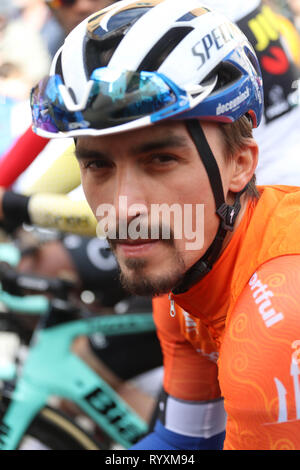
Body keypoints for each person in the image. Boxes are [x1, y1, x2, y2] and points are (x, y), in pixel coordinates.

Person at [30, 0, 300, 451]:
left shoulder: (278, 314)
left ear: (240, 163)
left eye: (160, 159)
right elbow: (182, 443)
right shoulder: (187, 265)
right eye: (97, 164)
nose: (123, 209)